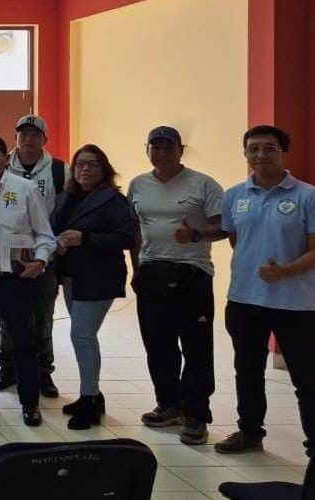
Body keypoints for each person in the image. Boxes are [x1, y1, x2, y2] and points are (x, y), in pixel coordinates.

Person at [212, 125, 315, 456]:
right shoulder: (235, 196)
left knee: (307, 378)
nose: (260, 155)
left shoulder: (307, 196)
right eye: (253, 148)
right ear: (245, 154)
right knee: (248, 371)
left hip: (296, 304)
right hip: (244, 300)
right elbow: (237, 240)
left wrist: (285, 271)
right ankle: (250, 433)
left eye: (269, 148)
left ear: (283, 152)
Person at [127, 125, 224, 445]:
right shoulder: (138, 184)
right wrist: (136, 268)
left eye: (169, 147)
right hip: (152, 272)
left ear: (181, 150)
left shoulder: (203, 184)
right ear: (148, 151)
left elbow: (224, 225)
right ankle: (169, 405)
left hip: (192, 273)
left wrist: (196, 234)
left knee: (196, 348)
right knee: (158, 345)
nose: (162, 153)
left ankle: (196, 415)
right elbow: (135, 230)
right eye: (155, 147)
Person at [0, 135, 57, 426]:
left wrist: (40, 261)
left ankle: (30, 403)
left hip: (16, 279)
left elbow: (44, 234)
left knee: (23, 342)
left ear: (6, 158)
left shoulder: (25, 189)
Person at [50, 145, 137, 430]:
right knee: (82, 336)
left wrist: (85, 238)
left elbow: (126, 238)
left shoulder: (113, 200)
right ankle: (91, 394)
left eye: (93, 165)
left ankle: (90, 399)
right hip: (71, 275)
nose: (85, 169)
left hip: (99, 277)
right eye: (80, 165)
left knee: (82, 335)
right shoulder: (66, 197)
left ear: (104, 170)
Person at [0, 115, 67, 396]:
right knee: (7, 316)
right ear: (15, 138)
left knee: (43, 316)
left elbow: (67, 208)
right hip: (8, 254)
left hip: (43, 254)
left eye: (34, 135)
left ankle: (43, 373)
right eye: (23, 134)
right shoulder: (2, 165)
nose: (28, 139)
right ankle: (8, 369)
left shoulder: (59, 171)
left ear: (44, 139)